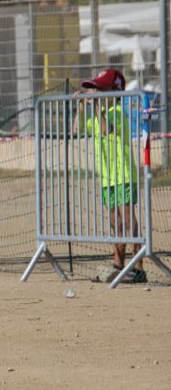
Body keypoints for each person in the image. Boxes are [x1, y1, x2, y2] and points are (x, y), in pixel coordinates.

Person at [76, 69, 146, 284]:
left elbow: (107, 130)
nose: (95, 92)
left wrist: (96, 105)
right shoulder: (99, 115)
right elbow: (76, 129)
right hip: (107, 177)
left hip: (123, 174)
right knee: (114, 221)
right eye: (94, 89)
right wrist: (80, 107)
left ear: (113, 92)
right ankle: (118, 265)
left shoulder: (115, 111)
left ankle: (137, 267)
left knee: (126, 219)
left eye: (100, 89)